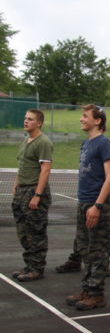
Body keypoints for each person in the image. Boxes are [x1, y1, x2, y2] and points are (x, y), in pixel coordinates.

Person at [66, 104, 110, 311]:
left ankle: (96, 295)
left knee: (97, 251)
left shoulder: (103, 143)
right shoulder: (86, 144)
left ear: (97, 121)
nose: (81, 119)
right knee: (85, 249)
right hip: (84, 202)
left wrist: (97, 206)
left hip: (97, 204)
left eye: (85, 116)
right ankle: (87, 289)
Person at [55, 137, 110, 274]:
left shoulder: (108, 145)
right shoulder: (87, 144)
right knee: (82, 233)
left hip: (103, 196)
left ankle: (101, 265)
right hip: (88, 196)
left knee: (103, 234)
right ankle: (77, 260)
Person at [12, 109, 53, 282]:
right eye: (25, 118)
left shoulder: (43, 142)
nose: (26, 121)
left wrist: (37, 195)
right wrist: (16, 185)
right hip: (22, 191)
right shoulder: (25, 141)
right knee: (24, 232)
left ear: (39, 123)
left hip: (33, 190)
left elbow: (45, 170)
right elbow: (22, 166)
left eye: (30, 119)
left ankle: (36, 268)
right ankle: (29, 265)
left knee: (36, 232)